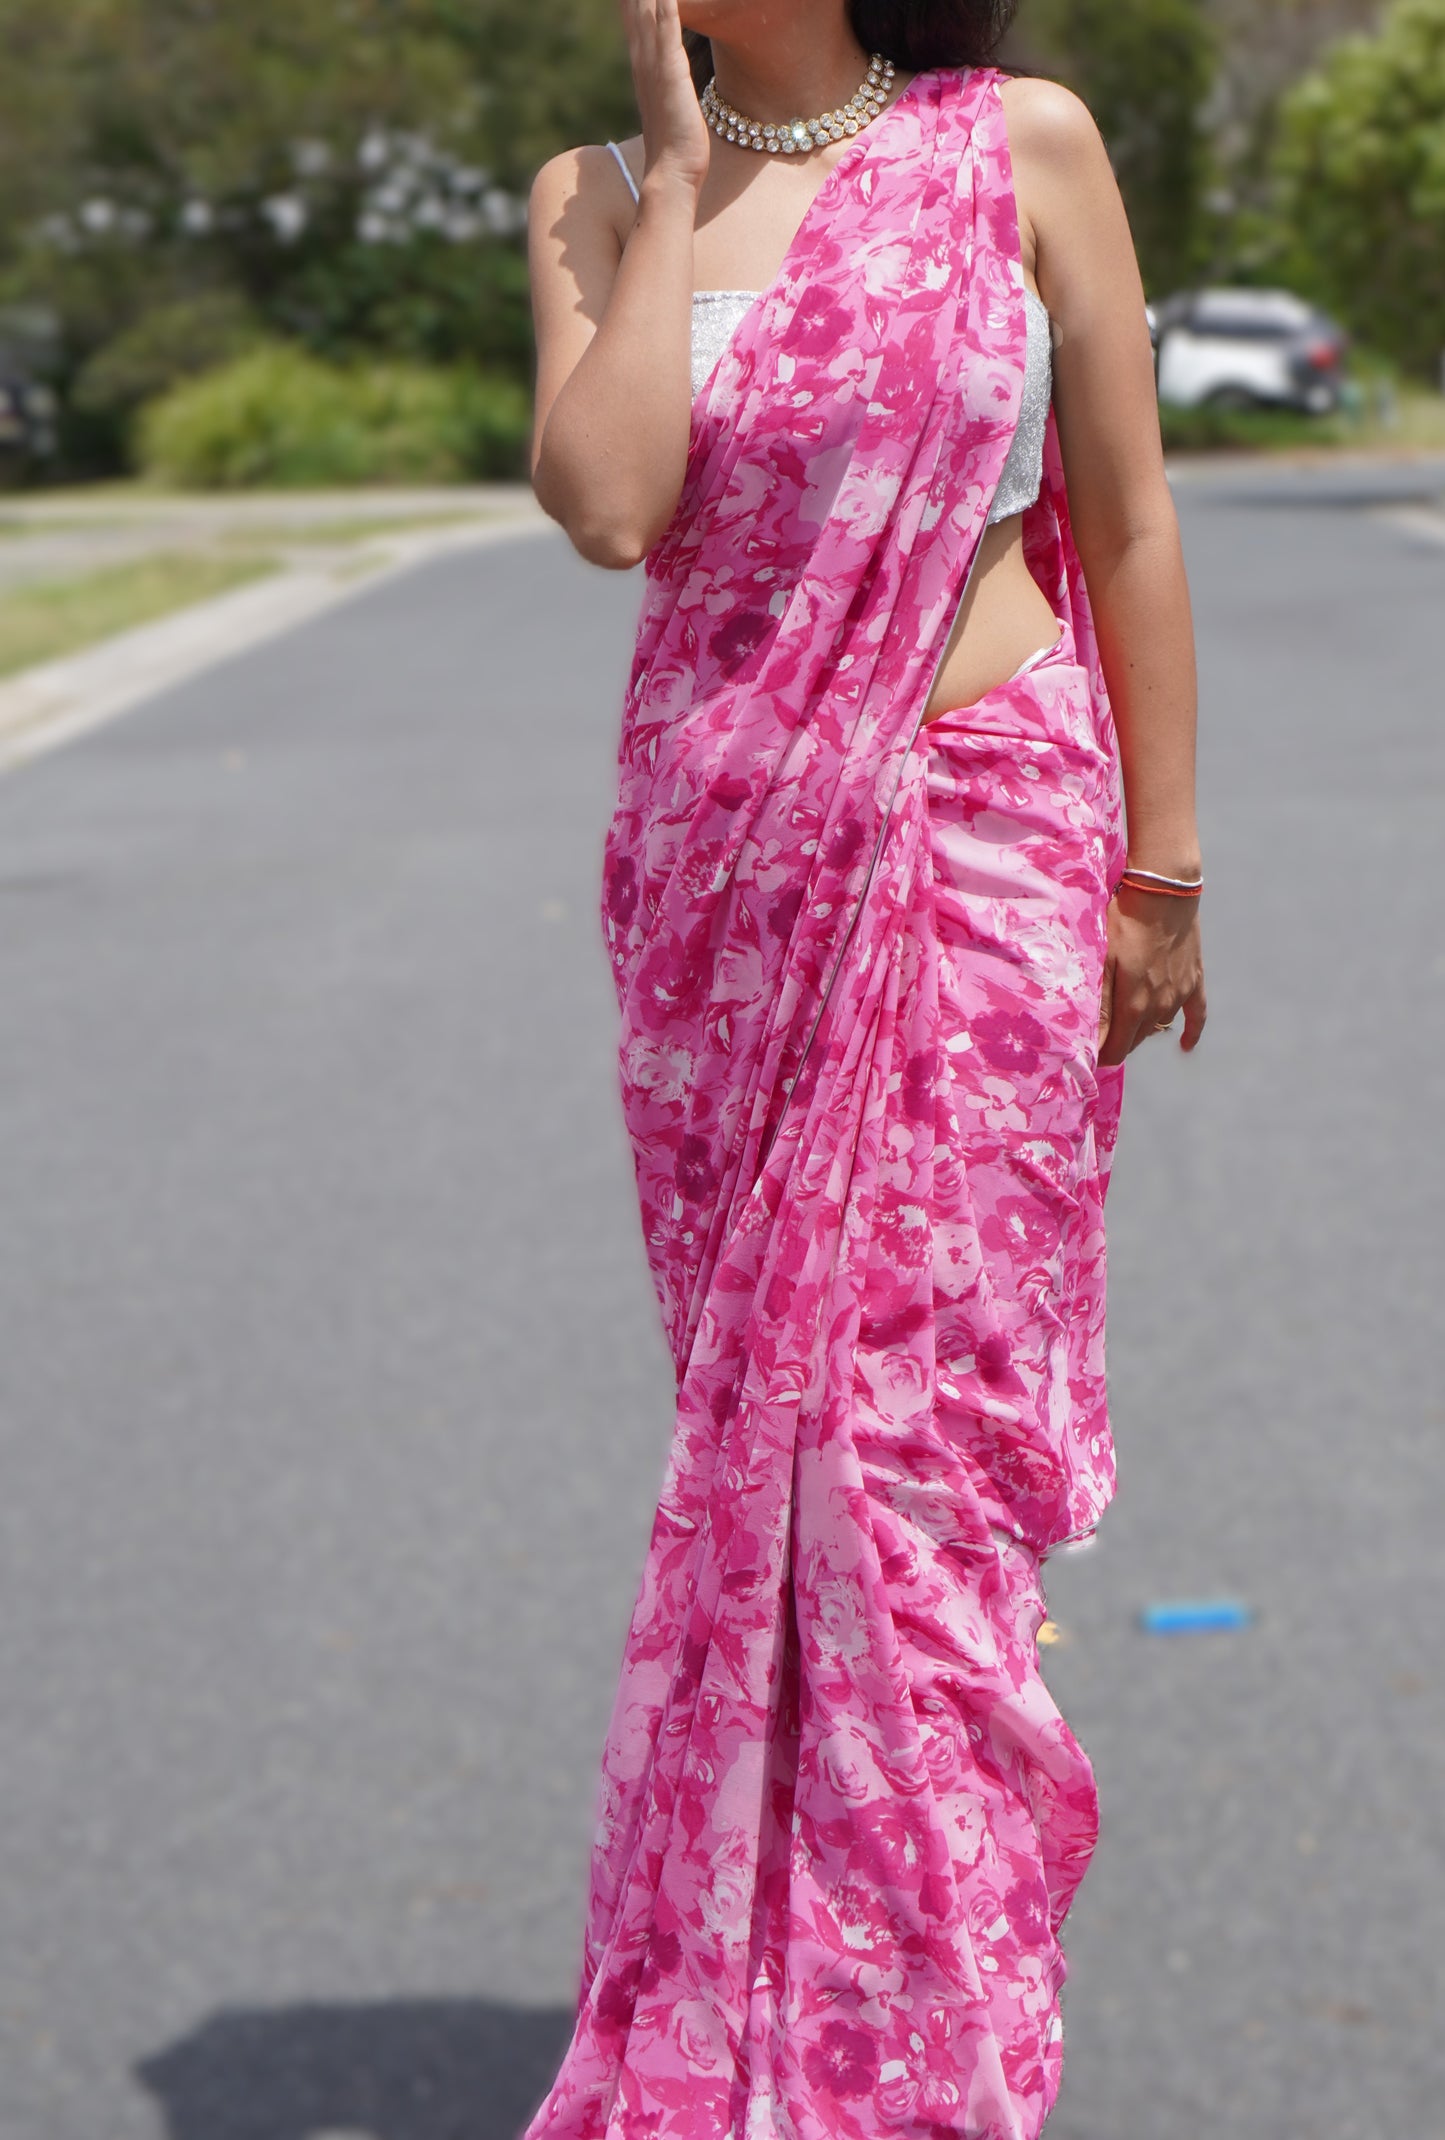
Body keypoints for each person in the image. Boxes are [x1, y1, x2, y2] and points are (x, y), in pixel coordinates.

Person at [524, 1, 1205, 2132]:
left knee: (918, 1457)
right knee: (783, 1456)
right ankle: (798, 2013)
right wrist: (659, 181)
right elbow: (612, 503)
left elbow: (1135, 514)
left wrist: (1165, 866)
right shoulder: (595, 196)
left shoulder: (1026, 144)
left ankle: (937, 2031)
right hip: (729, 892)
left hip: (995, 832)